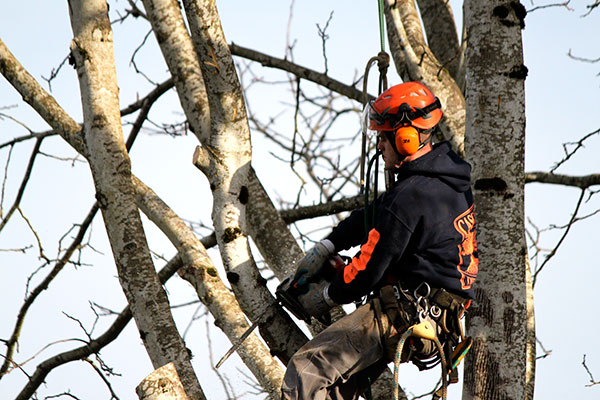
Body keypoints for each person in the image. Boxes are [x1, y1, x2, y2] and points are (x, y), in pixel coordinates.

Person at [280, 81, 479, 400]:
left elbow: (367, 271)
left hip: (406, 312)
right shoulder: (445, 183)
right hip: (438, 318)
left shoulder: (412, 195)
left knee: (308, 371)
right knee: (336, 389)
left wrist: (328, 294)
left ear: (406, 137)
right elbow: (378, 214)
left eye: (382, 137)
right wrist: (328, 247)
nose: (379, 146)